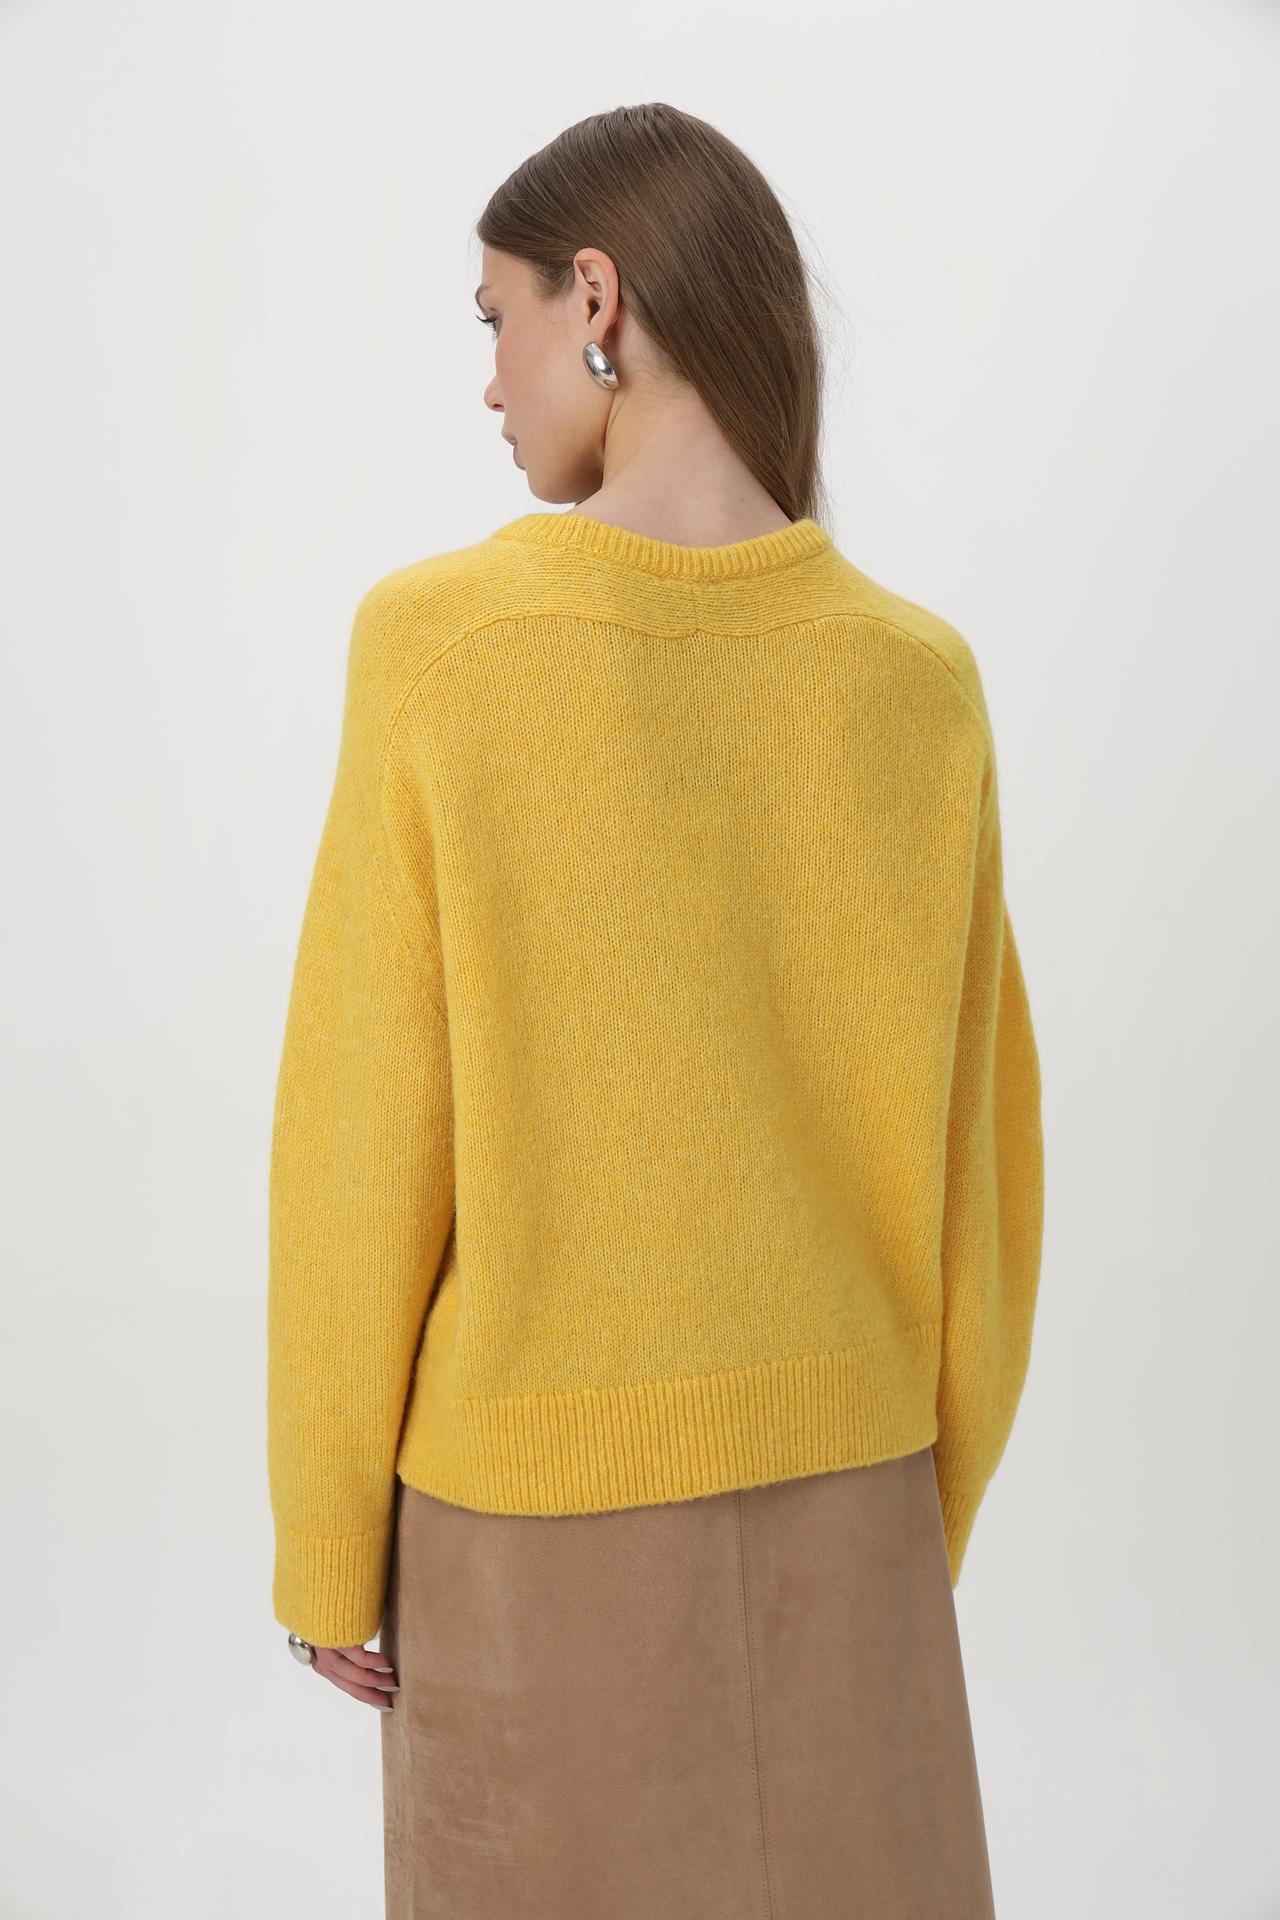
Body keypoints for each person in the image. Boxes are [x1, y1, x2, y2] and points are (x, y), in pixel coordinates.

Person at [266, 101, 1044, 1919]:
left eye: (497, 318)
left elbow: (364, 1141)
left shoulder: (442, 650)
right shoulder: (918, 683)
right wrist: (901, 1522)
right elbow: (981, 1174)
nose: (489, 380)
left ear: (596, 297)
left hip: (527, 1551)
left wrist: (323, 1544)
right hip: (857, 1520)